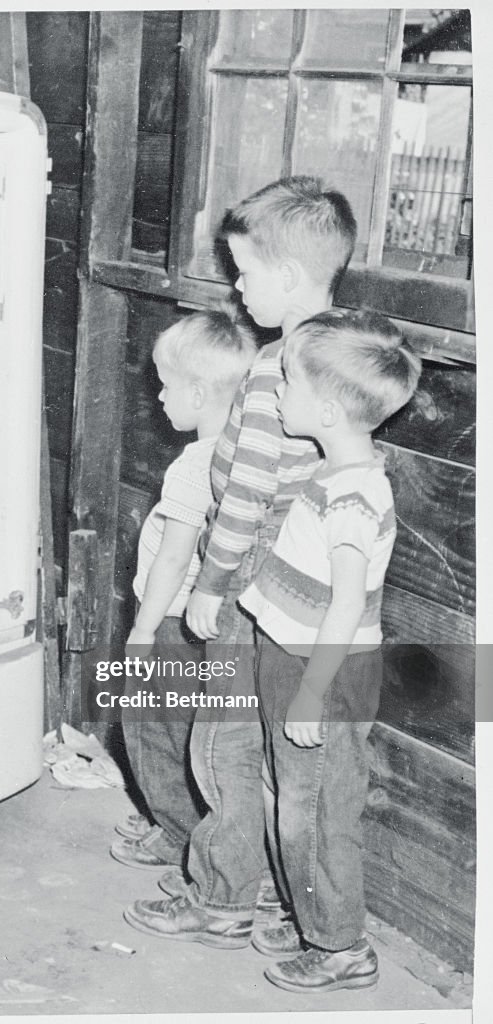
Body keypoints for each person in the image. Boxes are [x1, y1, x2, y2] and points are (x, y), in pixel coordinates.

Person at [124, 176, 357, 949]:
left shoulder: (272, 372)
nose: (234, 285)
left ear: (286, 277)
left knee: (220, 746)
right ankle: (253, 892)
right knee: (256, 750)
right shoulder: (332, 354)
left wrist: (211, 586)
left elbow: (246, 495)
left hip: (244, 577)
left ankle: (223, 898)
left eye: (243, 271)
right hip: (297, 582)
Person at [240, 309, 420, 992]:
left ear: (325, 409)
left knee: (313, 809)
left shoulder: (351, 497)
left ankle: (340, 944)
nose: (278, 394)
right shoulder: (330, 469)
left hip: (324, 672)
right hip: (289, 654)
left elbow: (345, 605)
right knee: (290, 794)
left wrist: (312, 693)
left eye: (286, 383)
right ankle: (308, 909)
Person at [112, 309, 257, 871]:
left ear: (197, 392)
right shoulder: (240, 455)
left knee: (150, 730)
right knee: (194, 734)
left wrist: (142, 631)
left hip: (170, 622)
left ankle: (175, 833)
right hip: (214, 625)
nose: (159, 398)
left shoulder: (194, 466)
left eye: (166, 386)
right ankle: (182, 823)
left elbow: (173, 558)